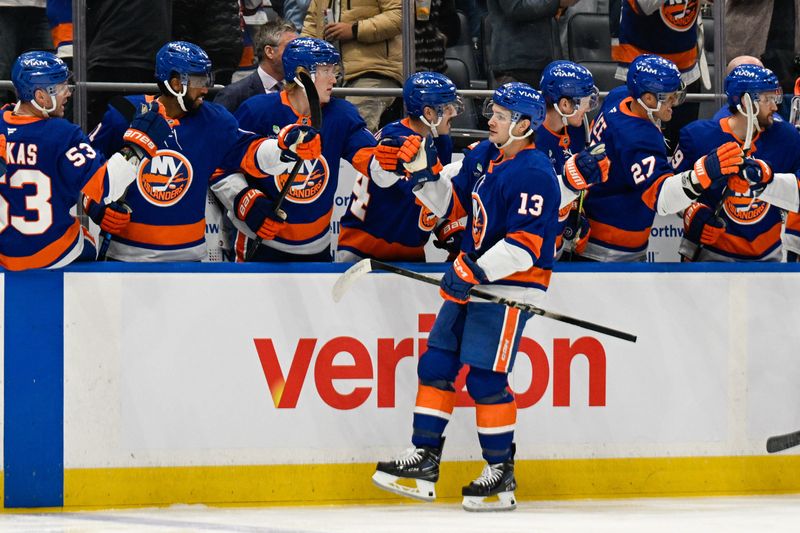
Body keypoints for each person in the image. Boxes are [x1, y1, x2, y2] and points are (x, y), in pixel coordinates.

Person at [371, 82, 608, 511]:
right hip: (474, 279)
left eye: (500, 115)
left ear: (523, 123)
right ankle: (424, 459)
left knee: (485, 379)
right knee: (437, 362)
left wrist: (474, 269)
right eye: (492, 113)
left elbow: (523, 247)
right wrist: (423, 175)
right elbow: (452, 206)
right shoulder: (484, 156)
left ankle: (500, 473)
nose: (490, 121)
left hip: (508, 285)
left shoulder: (534, 172)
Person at [88, 41, 319, 262]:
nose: (206, 87)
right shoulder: (125, 114)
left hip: (189, 260)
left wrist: (283, 147)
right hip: (125, 257)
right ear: (176, 83)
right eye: (199, 79)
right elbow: (87, 171)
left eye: (208, 77)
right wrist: (99, 207)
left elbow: (249, 151)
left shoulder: (214, 121)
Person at [229, 37, 400, 261]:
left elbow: (368, 160)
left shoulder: (342, 114)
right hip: (260, 240)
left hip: (317, 246)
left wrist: (391, 161)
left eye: (334, 70)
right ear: (302, 75)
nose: (334, 78)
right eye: (326, 70)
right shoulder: (257, 111)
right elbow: (223, 166)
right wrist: (245, 199)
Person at [0, 51, 171, 270]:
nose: (68, 93)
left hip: (5, 254)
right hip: (53, 252)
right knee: (89, 240)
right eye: (61, 87)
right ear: (41, 96)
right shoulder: (62, 134)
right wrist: (138, 146)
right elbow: (106, 186)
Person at [578, 54, 744, 262]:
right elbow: (662, 199)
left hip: (595, 221)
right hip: (611, 249)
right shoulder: (639, 138)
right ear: (648, 98)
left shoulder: (620, 96)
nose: (674, 103)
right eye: (669, 97)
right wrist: (704, 172)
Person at [674, 64, 800, 262]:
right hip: (709, 254)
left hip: (768, 258)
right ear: (746, 101)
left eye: (775, 98)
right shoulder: (697, 136)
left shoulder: (787, 138)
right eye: (768, 99)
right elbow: (669, 189)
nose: (776, 107)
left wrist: (771, 179)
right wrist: (690, 211)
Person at [336, 71, 463, 262]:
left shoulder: (441, 140)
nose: (454, 112)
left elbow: (431, 192)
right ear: (428, 113)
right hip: (364, 248)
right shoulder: (394, 138)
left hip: (409, 249)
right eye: (447, 107)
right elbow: (415, 189)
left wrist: (446, 228)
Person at [611, 0, 704, 154]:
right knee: (638, 146)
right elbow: (644, 5)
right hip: (642, 70)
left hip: (685, 66)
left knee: (680, 149)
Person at [301, 0, 403, 132]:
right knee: (319, 129)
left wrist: (355, 29)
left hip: (375, 70)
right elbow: (312, 25)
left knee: (353, 128)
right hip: (331, 74)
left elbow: (399, 15)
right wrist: (301, 56)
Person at [536, 60, 599, 259]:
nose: (588, 108)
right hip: (530, 248)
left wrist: (575, 214)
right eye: (584, 101)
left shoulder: (577, 128)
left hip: (559, 242)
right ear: (565, 104)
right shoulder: (528, 139)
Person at [486, 0, 578, 88]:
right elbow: (516, 8)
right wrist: (556, 2)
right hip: (515, 64)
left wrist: (562, 4)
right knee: (517, 103)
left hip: (540, 60)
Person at [214, 19, 299, 112]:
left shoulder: (301, 91)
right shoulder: (233, 95)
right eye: (292, 47)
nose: (297, 54)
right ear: (269, 52)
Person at [0, 0, 52, 105]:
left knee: (44, 71)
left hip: (42, 9)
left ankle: (38, 119)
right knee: (3, 72)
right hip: (5, 7)